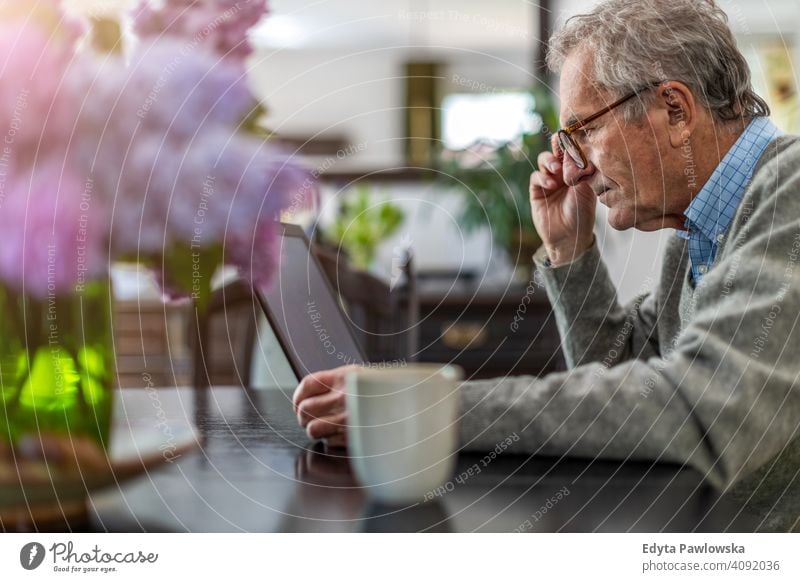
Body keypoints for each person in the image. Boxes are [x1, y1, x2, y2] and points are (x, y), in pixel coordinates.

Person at [293, 0, 800, 522]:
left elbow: (700, 407)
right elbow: (620, 381)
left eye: (583, 132)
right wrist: (569, 250)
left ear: (674, 109)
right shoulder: (699, 226)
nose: (573, 167)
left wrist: (429, 412)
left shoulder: (792, 191)